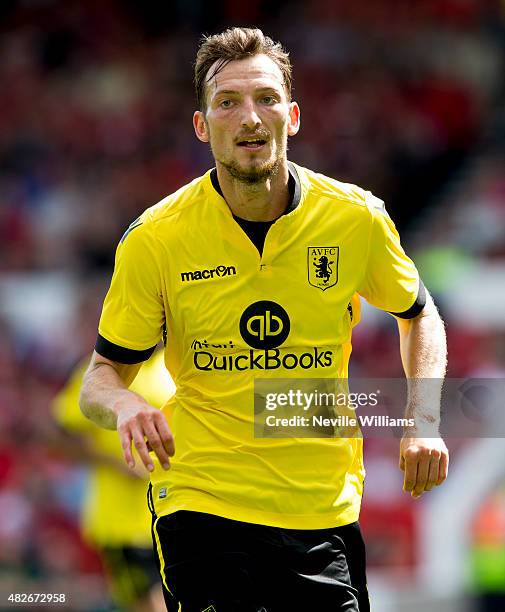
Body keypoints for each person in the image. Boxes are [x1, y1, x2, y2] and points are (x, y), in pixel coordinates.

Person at [80, 27, 449, 611]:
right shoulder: (156, 238)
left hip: (321, 506)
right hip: (201, 500)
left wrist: (423, 417)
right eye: (228, 101)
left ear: (293, 116)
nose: (250, 117)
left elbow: (420, 315)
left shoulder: (356, 218)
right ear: (202, 126)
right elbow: (100, 378)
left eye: (266, 98)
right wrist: (126, 404)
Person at [53, 349, 174, 612]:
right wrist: (117, 465)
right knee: (143, 603)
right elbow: (61, 436)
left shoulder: (177, 369)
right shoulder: (101, 372)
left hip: (173, 516)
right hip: (123, 524)